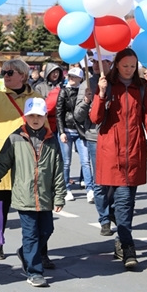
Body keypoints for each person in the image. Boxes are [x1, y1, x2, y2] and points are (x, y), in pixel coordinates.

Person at [0, 59, 55, 267]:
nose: (5, 76)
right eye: (3, 72)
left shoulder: (35, 97)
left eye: (9, 72)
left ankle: (40, 252)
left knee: (36, 208)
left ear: (23, 76)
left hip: (30, 159)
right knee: (2, 204)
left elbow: (46, 127)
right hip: (3, 160)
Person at [0, 97, 66, 287]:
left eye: (39, 115)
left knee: (47, 230)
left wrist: (60, 196)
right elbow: (2, 164)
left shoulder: (51, 139)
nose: (35, 119)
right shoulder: (15, 138)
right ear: (25, 117)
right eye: (31, 115)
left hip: (45, 196)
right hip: (24, 196)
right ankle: (34, 271)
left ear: (45, 116)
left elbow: (58, 169)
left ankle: (25, 253)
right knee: (30, 234)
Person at [89, 48, 147, 269]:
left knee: (127, 200)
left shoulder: (141, 88)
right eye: (126, 65)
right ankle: (128, 245)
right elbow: (95, 118)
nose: (130, 70)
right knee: (120, 199)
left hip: (134, 150)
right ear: (117, 64)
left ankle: (123, 241)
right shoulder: (107, 85)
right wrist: (100, 94)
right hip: (111, 151)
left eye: (133, 66)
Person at [74, 53, 116, 236]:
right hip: (94, 138)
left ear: (110, 62)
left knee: (116, 181)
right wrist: (86, 101)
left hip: (115, 138)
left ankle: (114, 210)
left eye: (101, 61)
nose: (95, 65)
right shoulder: (87, 84)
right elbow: (78, 116)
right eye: (93, 62)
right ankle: (104, 219)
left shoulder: (118, 83)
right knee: (100, 181)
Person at [55, 67, 94, 203]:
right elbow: (58, 113)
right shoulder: (63, 91)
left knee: (85, 161)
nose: (71, 78)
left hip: (81, 131)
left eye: (74, 76)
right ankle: (66, 189)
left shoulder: (85, 92)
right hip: (67, 129)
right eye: (70, 76)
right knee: (66, 162)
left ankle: (90, 189)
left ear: (80, 79)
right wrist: (61, 132)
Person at [34, 63, 64, 134]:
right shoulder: (39, 87)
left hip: (59, 122)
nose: (55, 74)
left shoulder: (63, 87)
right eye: (53, 72)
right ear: (48, 72)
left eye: (57, 72)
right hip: (45, 121)